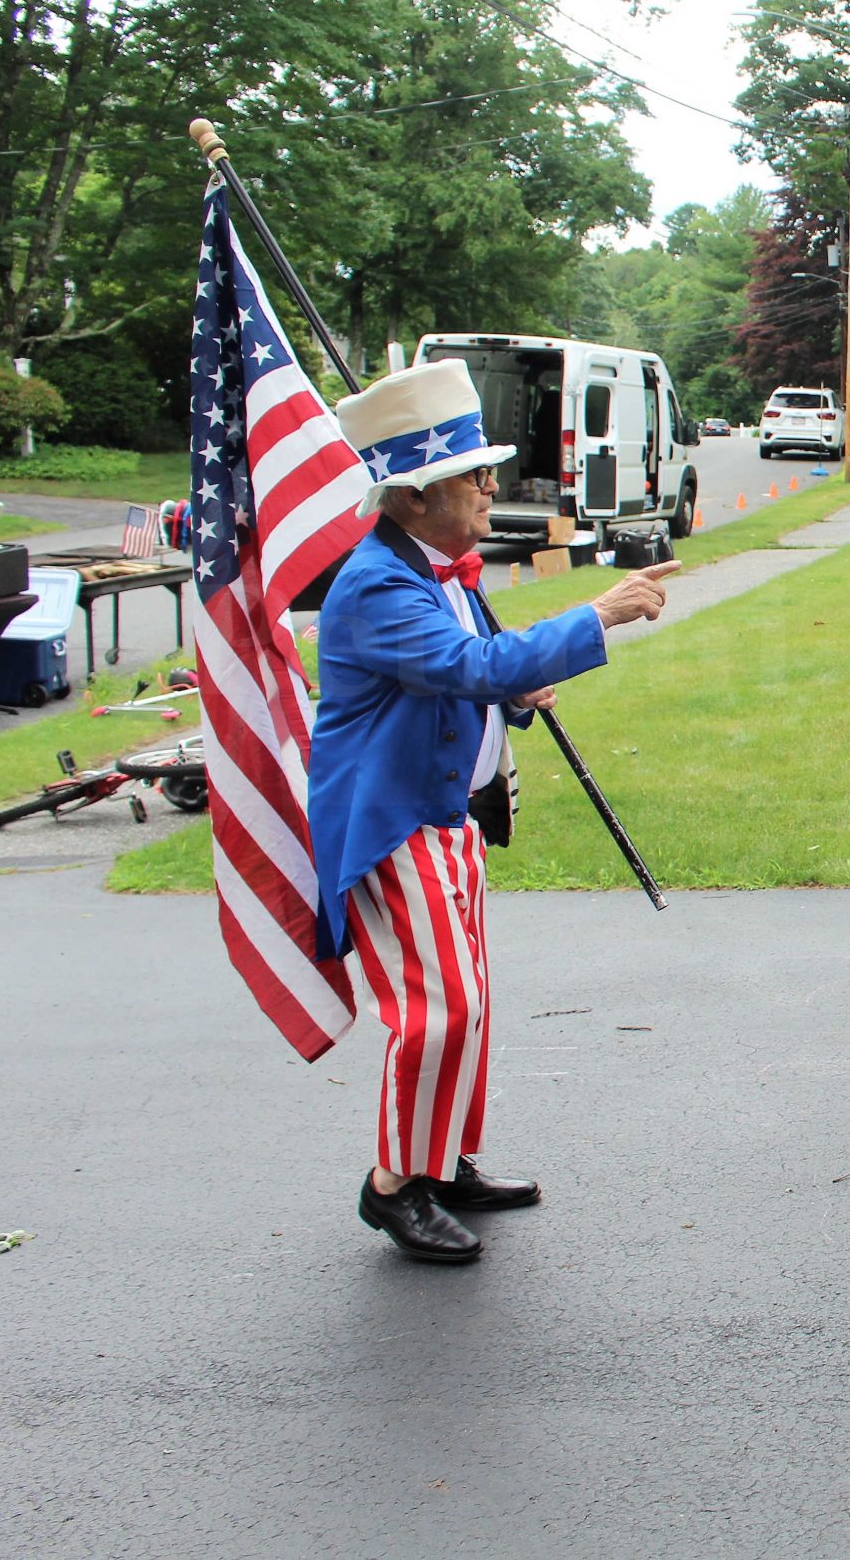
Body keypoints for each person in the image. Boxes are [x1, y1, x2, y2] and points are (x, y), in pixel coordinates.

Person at [309, 359, 677, 1264]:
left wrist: (522, 689)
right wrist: (596, 616)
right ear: (416, 492)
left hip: (448, 813)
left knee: (469, 1001)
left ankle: (443, 1160)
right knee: (438, 1007)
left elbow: (481, 662)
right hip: (394, 822)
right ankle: (395, 1185)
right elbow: (467, 667)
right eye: (471, 472)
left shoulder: (441, 567)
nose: (488, 484)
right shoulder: (376, 585)